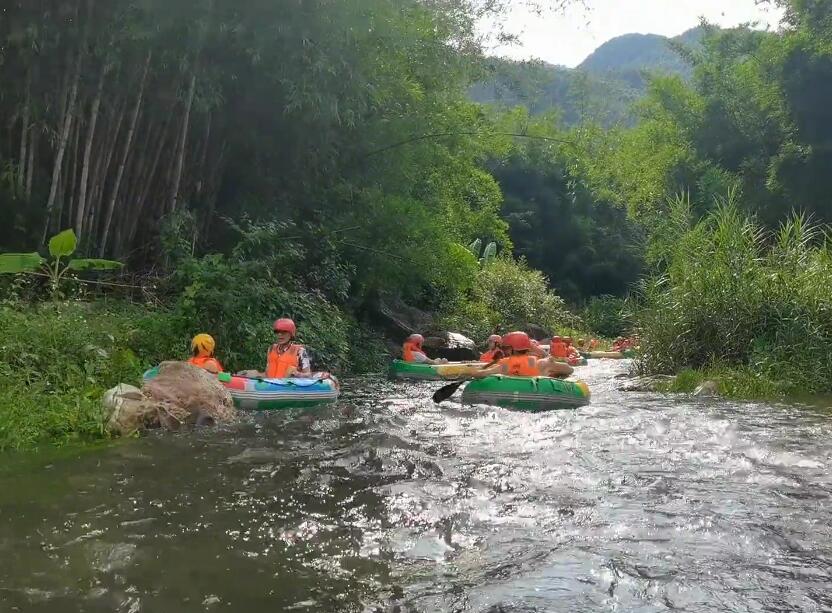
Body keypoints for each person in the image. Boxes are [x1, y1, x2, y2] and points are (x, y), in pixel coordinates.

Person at [472, 331, 573, 379]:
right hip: (538, 395)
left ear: (511, 349)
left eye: (506, 347)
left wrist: (470, 372)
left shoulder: (505, 365)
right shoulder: (541, 363)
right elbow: (569, 369)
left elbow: (481, 373)